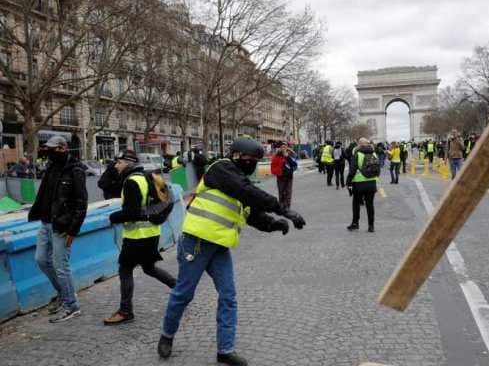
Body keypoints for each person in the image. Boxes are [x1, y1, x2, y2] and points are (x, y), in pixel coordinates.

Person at [158, 138, 306, 366]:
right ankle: (167, 335)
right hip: (197, 241)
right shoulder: (221, 168)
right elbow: (245, 191)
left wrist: (275, 223)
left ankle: (225, 350)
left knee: (228, 297)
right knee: (184, 294)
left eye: (256, 161)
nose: (252, 164)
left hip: (219, 246)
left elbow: (252, 214)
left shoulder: (239, 179)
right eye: (250, 160)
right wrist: (284, 209)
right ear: (236, 155)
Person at [103, 150, 176, 325]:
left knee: (125, 269)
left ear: (127, 163)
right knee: (149, 268)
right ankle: (181, 289)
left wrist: (113, 217)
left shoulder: (131, 182)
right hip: (152, 233)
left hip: (137, 236)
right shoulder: (144, 178)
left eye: (119, 162)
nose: (116, 165)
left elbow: (132, 213)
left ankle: (125, 311)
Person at [28, 136, 87, 323]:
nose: (49, 152)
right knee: (41, 260)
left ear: (63, 148)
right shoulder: (51, 167)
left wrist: (73, 230)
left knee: (61, 266)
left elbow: (81, 203)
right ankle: (64, 294)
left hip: (62, 226)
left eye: (53, 149)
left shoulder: (76, 170)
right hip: (45, 223)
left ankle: (72, 306)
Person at [346, 138, 378, 232]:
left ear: (359, 145)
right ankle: (371, 226)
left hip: (359, 183)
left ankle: (355, 223)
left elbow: (352, 170)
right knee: (370, 205)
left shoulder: (357, 154)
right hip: (371, 182)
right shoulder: (374, 154)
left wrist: (348, 181)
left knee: (356, 204)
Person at [271, 142, 297, 210]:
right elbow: (273, 164)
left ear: (287, 147)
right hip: (280, 176)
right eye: (282, 147)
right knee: (281, 192)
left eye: (285, 146)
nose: (283, 148)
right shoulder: (277, 155)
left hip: (289, 177)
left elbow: (294, 164)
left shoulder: (291, 154)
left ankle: (287, 207)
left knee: (288, 192)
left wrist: (287, 157)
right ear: (280, 148)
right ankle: (281, 206)